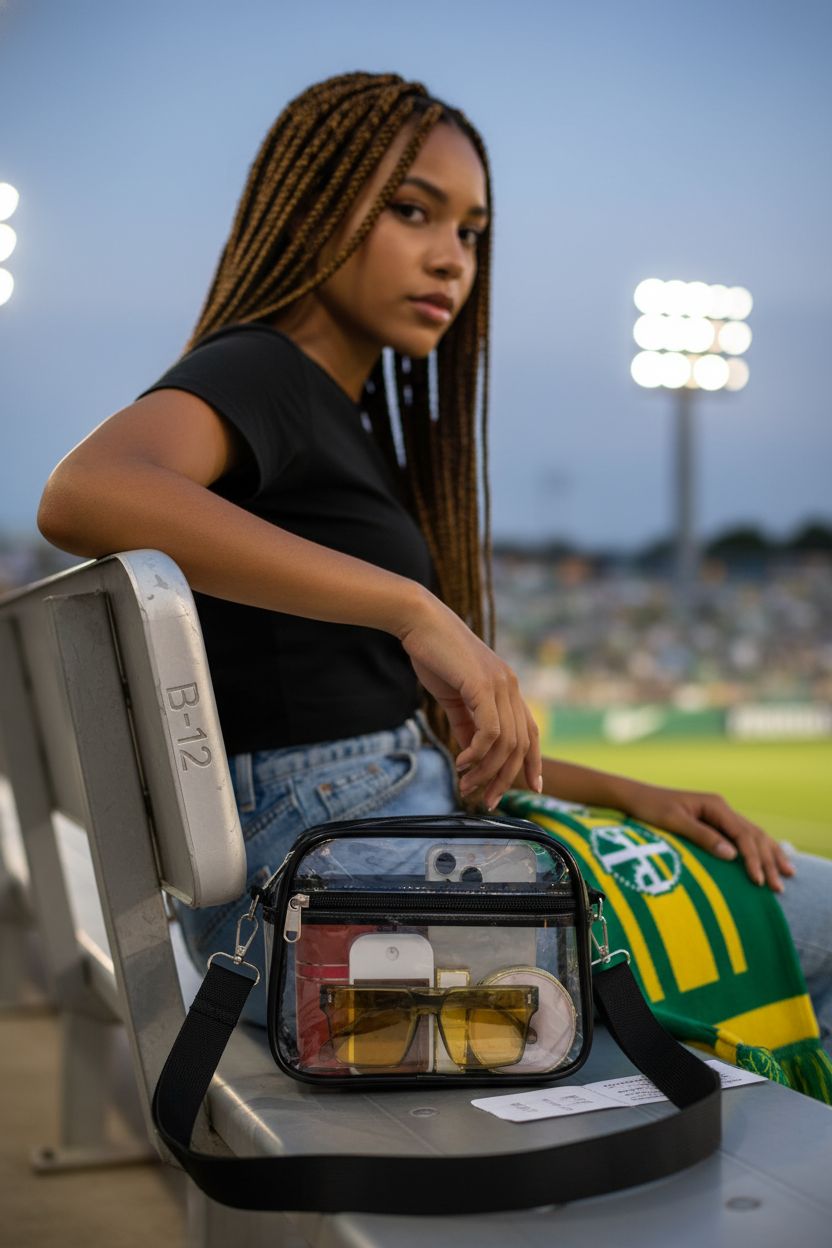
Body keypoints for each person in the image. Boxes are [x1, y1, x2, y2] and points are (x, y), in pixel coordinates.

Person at [35, 71, 830, 1048]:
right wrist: (416, 609)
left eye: (470, 232)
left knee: (782, 902)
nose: (451, 258)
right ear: (316, 203)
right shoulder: (266, 370)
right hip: (346, 901)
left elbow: (376, 755)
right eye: (414, 212)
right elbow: (85, 491)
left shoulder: (332, 417)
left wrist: (630, 794)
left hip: (356, 857)